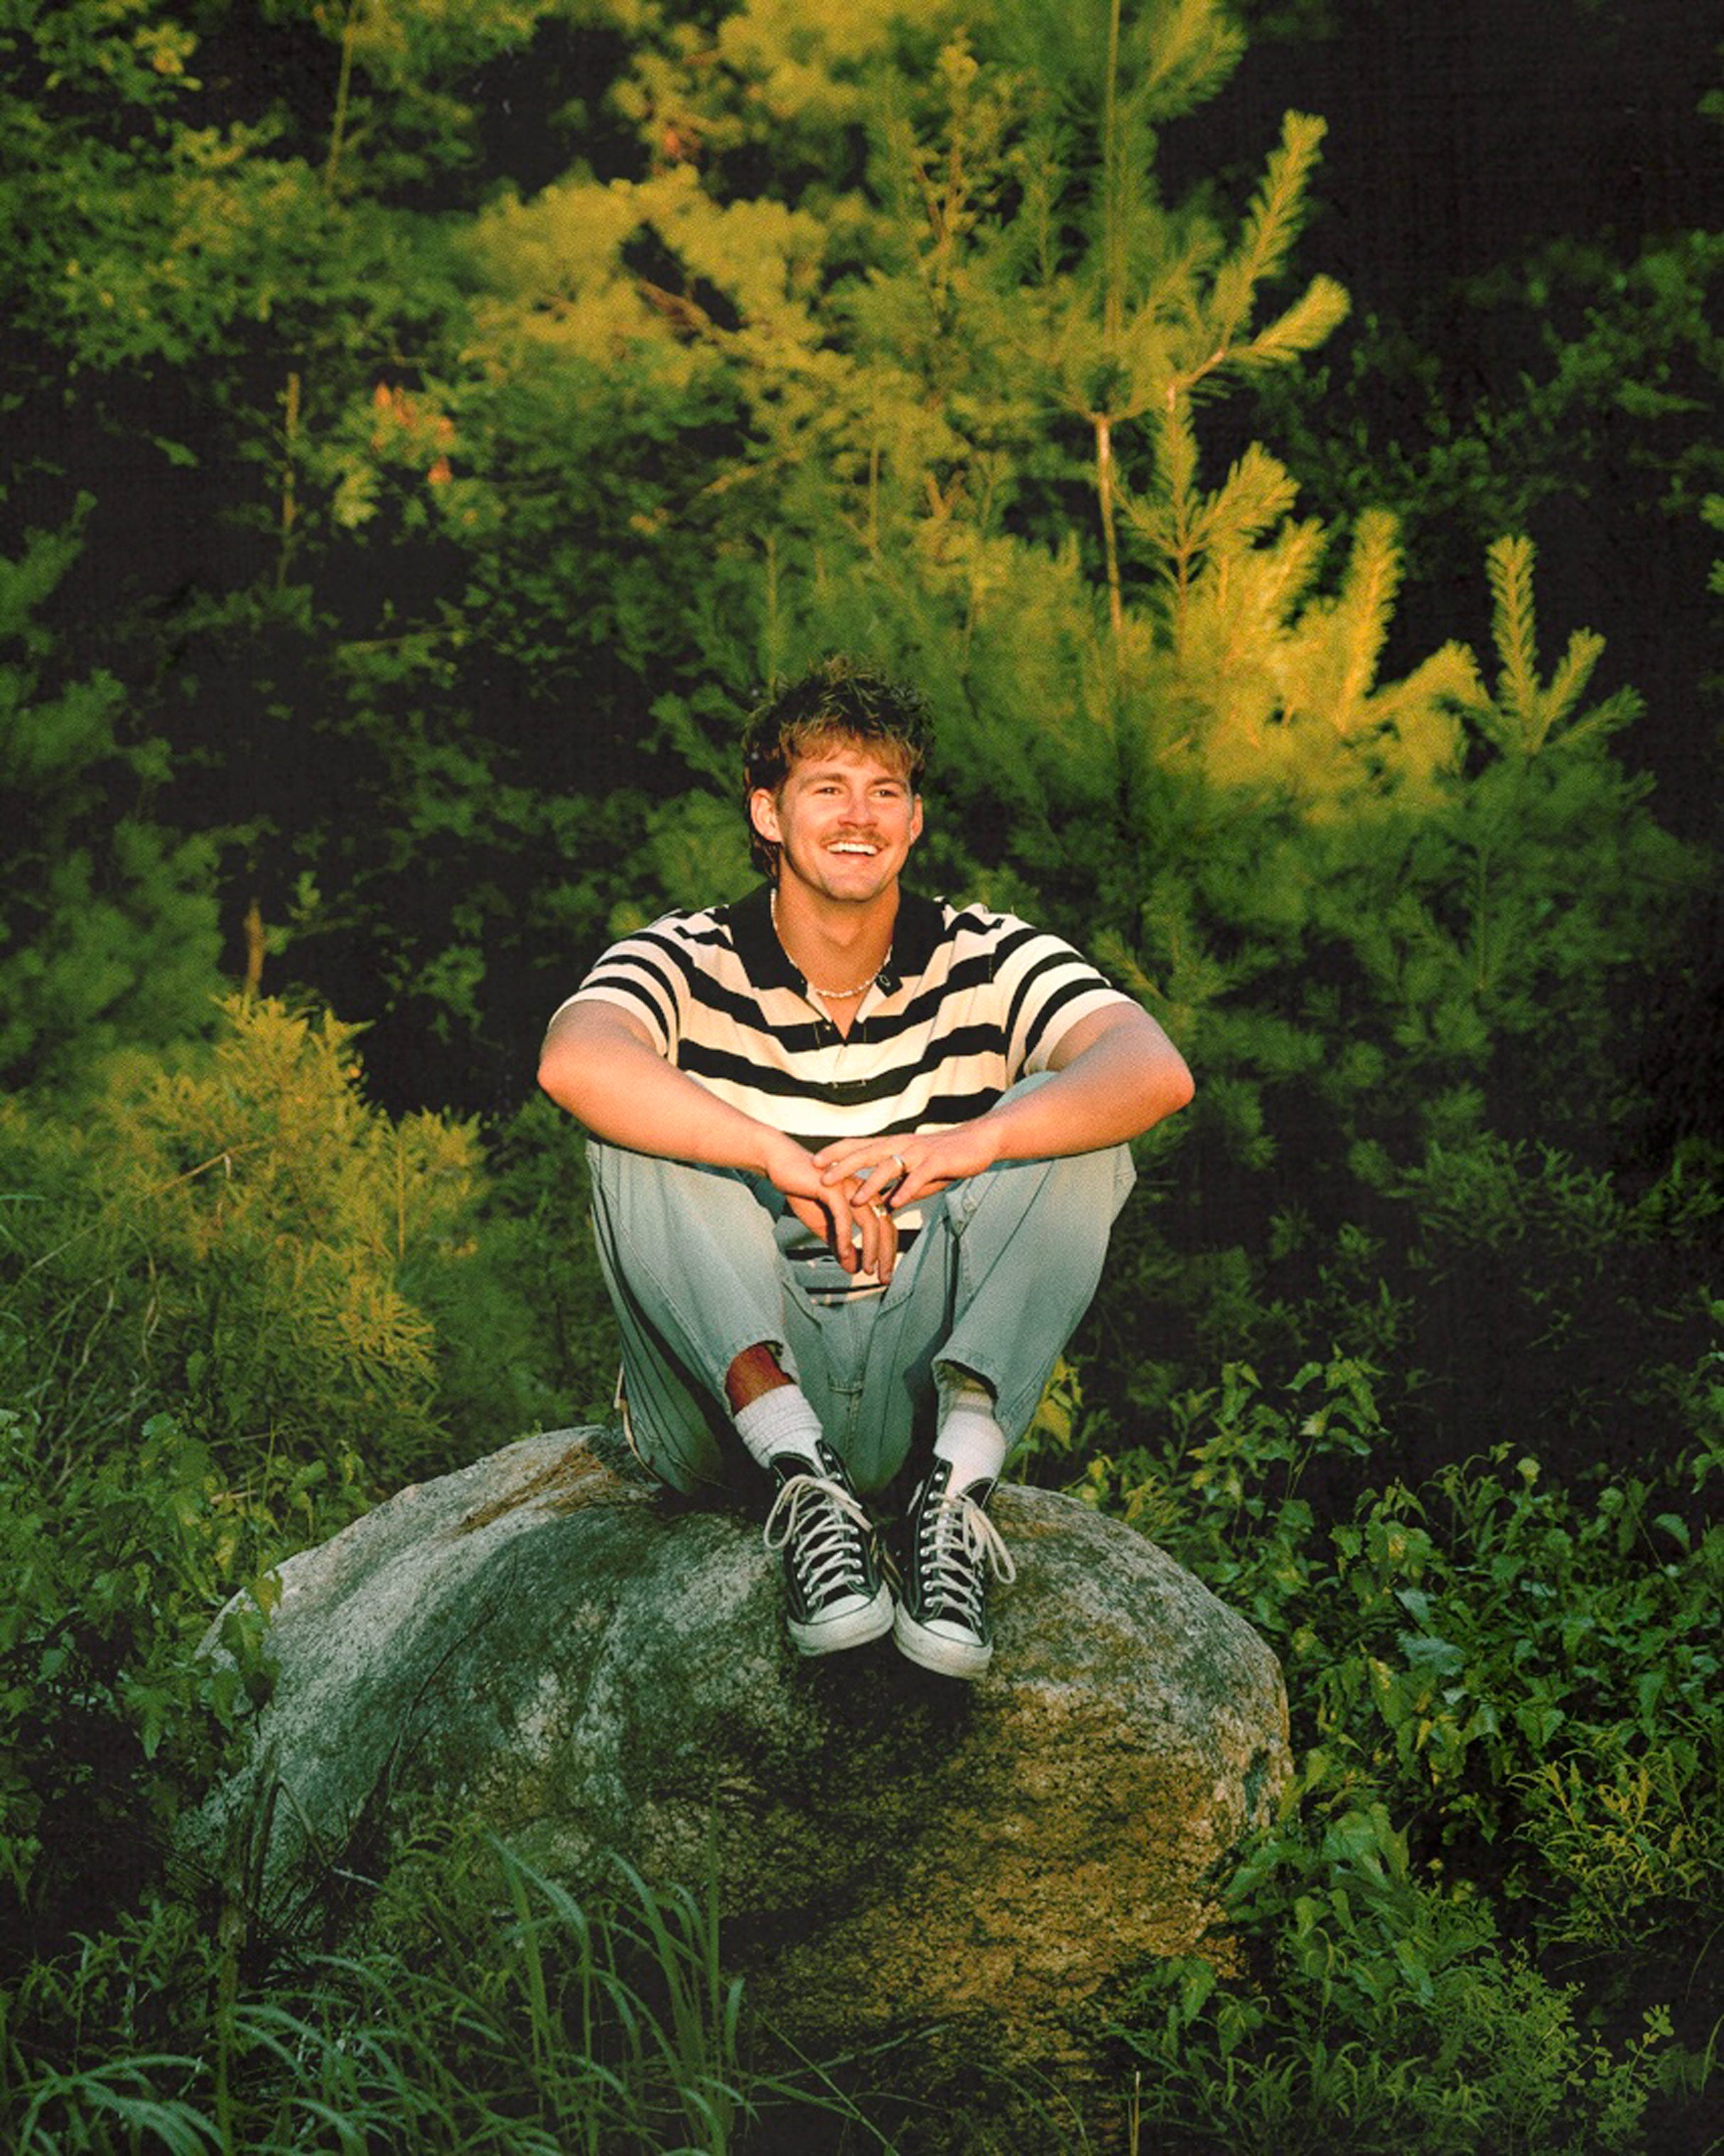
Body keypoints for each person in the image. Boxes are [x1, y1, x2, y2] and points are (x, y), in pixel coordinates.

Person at [538, 658, 1193, 1678]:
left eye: (885, 790)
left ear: (915, 819)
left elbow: (1151, 1068)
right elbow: (574, 1058)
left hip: (914, 1384)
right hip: (723, 1399)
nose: (859, 816)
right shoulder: (686, 955)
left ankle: (953, 1495)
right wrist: (777, 1158)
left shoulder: (985, 952)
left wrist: (960, 1146)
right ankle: (803, 1479)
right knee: (639, 1122)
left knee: (1074, 1125)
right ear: (767, 811)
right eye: (828, 787)